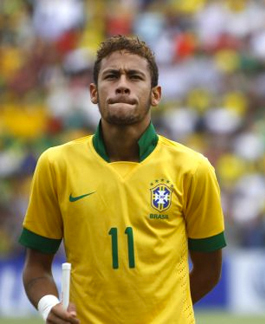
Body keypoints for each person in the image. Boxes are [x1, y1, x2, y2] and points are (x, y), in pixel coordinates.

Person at [19, 35, 226, 323]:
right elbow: (36, 267)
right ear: (94, 92)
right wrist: (47, 305)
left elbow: (209, 270)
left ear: (155, 94)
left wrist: (164, 312)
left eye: (135, 76)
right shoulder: (56, 164)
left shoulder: (193, 168)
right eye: (112, 76)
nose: (122, 84)